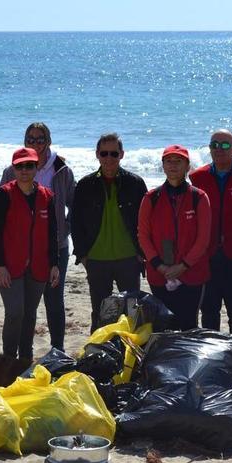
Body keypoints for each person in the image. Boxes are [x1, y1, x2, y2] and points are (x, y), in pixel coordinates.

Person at [0, 123, 74, 351]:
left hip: (54, 248)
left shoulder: (62, 169)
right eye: (30, 139)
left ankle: (57, 350)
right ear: (25, 142)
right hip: (19, 250)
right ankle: (21, 354)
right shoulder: (12, 170)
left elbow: (75, 205)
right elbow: (0, 213)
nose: (35, 143)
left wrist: (64, 230)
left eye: (40, 139)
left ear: (48, 141)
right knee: (21, 307)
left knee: (53, 301)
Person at [0, 147, 60, 361]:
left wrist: (54, 264)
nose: (25, 170)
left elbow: (52, 232)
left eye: (29, 165)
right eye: (20, 166)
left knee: (29, 314)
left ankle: (25, 358)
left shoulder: (47, 196)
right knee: (15, 312)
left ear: (37, 166)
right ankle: (9, 358)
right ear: (14, 168)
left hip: (38, 265)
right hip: (9, 265)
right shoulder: (3, 195)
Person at [71, 133, 148, 331]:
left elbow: (146, 220)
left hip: (129, 258)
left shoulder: (135, 183)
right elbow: (75, 221)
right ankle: (97, 355)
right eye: (104, 154)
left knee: (131, 312)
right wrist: (82, 254)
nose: (109, 159)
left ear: (122, 154)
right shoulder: (85, 185)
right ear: (97, 155)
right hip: (96, 259)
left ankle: (129, 357)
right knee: (99, 312)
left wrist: (143, 253)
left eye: (114, 154)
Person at [189, 130, 232, 340]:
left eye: (225, 145)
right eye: (214, 145)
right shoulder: (197, 177)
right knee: (209, 308)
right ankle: (211, 356)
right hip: (207, 255)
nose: (219, 149)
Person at [137, 145, 211, 331]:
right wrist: (160, 266)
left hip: (191, 274)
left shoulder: (199, 197)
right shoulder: (151, 198)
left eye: (179, 161)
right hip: (159, 274)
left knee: (188, 325)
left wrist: (183, 266)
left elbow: (203, 239)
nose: (173, 165)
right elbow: (143, 237)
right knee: (163, 326)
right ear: (163, 166)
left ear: (187, 166)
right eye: (168, 161)